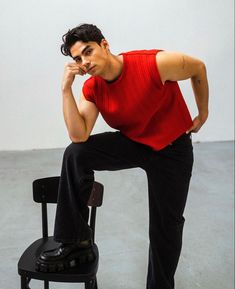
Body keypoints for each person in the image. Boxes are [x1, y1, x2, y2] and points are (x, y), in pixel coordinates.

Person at [36, 23, 209, 289]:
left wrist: (202, 113)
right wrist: (65, 89)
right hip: (135, 143)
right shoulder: (93, 88)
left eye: (88, 51)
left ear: (104, 44)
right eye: (78, 59)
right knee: (76, 154)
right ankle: (76, 241)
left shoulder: (154, 63)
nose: (85, 62)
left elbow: (198, 68)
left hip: (172, 151)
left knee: (166, 226)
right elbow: (79, 135)